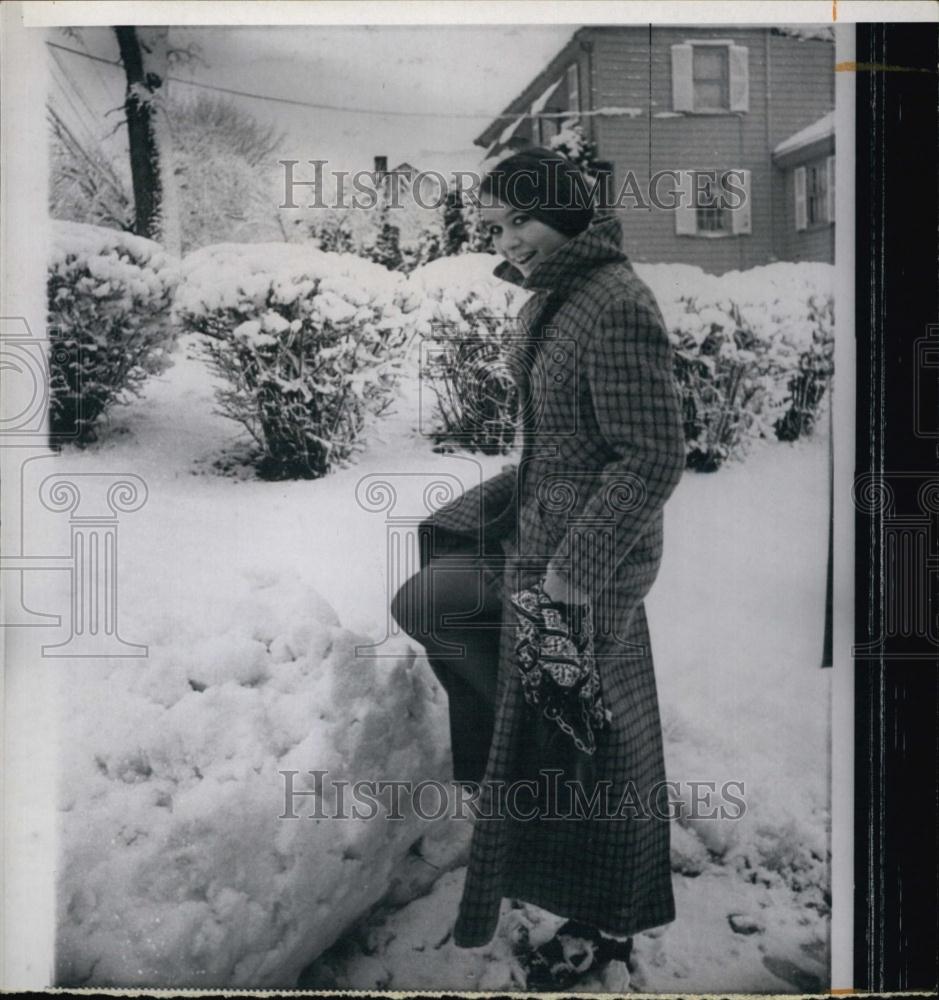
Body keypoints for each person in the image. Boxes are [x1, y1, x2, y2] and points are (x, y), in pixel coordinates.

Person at [391, 147, 685, 990]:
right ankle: (513, 773)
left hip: (590, 563)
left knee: (589, 744)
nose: (508, 238)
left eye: (520, 219)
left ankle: (604, 921)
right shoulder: (558, 295)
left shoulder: (616, 302)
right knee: (430, 602)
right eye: (496, 223)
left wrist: (572, 575)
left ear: (563, 210)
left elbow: (652, 458)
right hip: (536, 531)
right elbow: (562, 439)